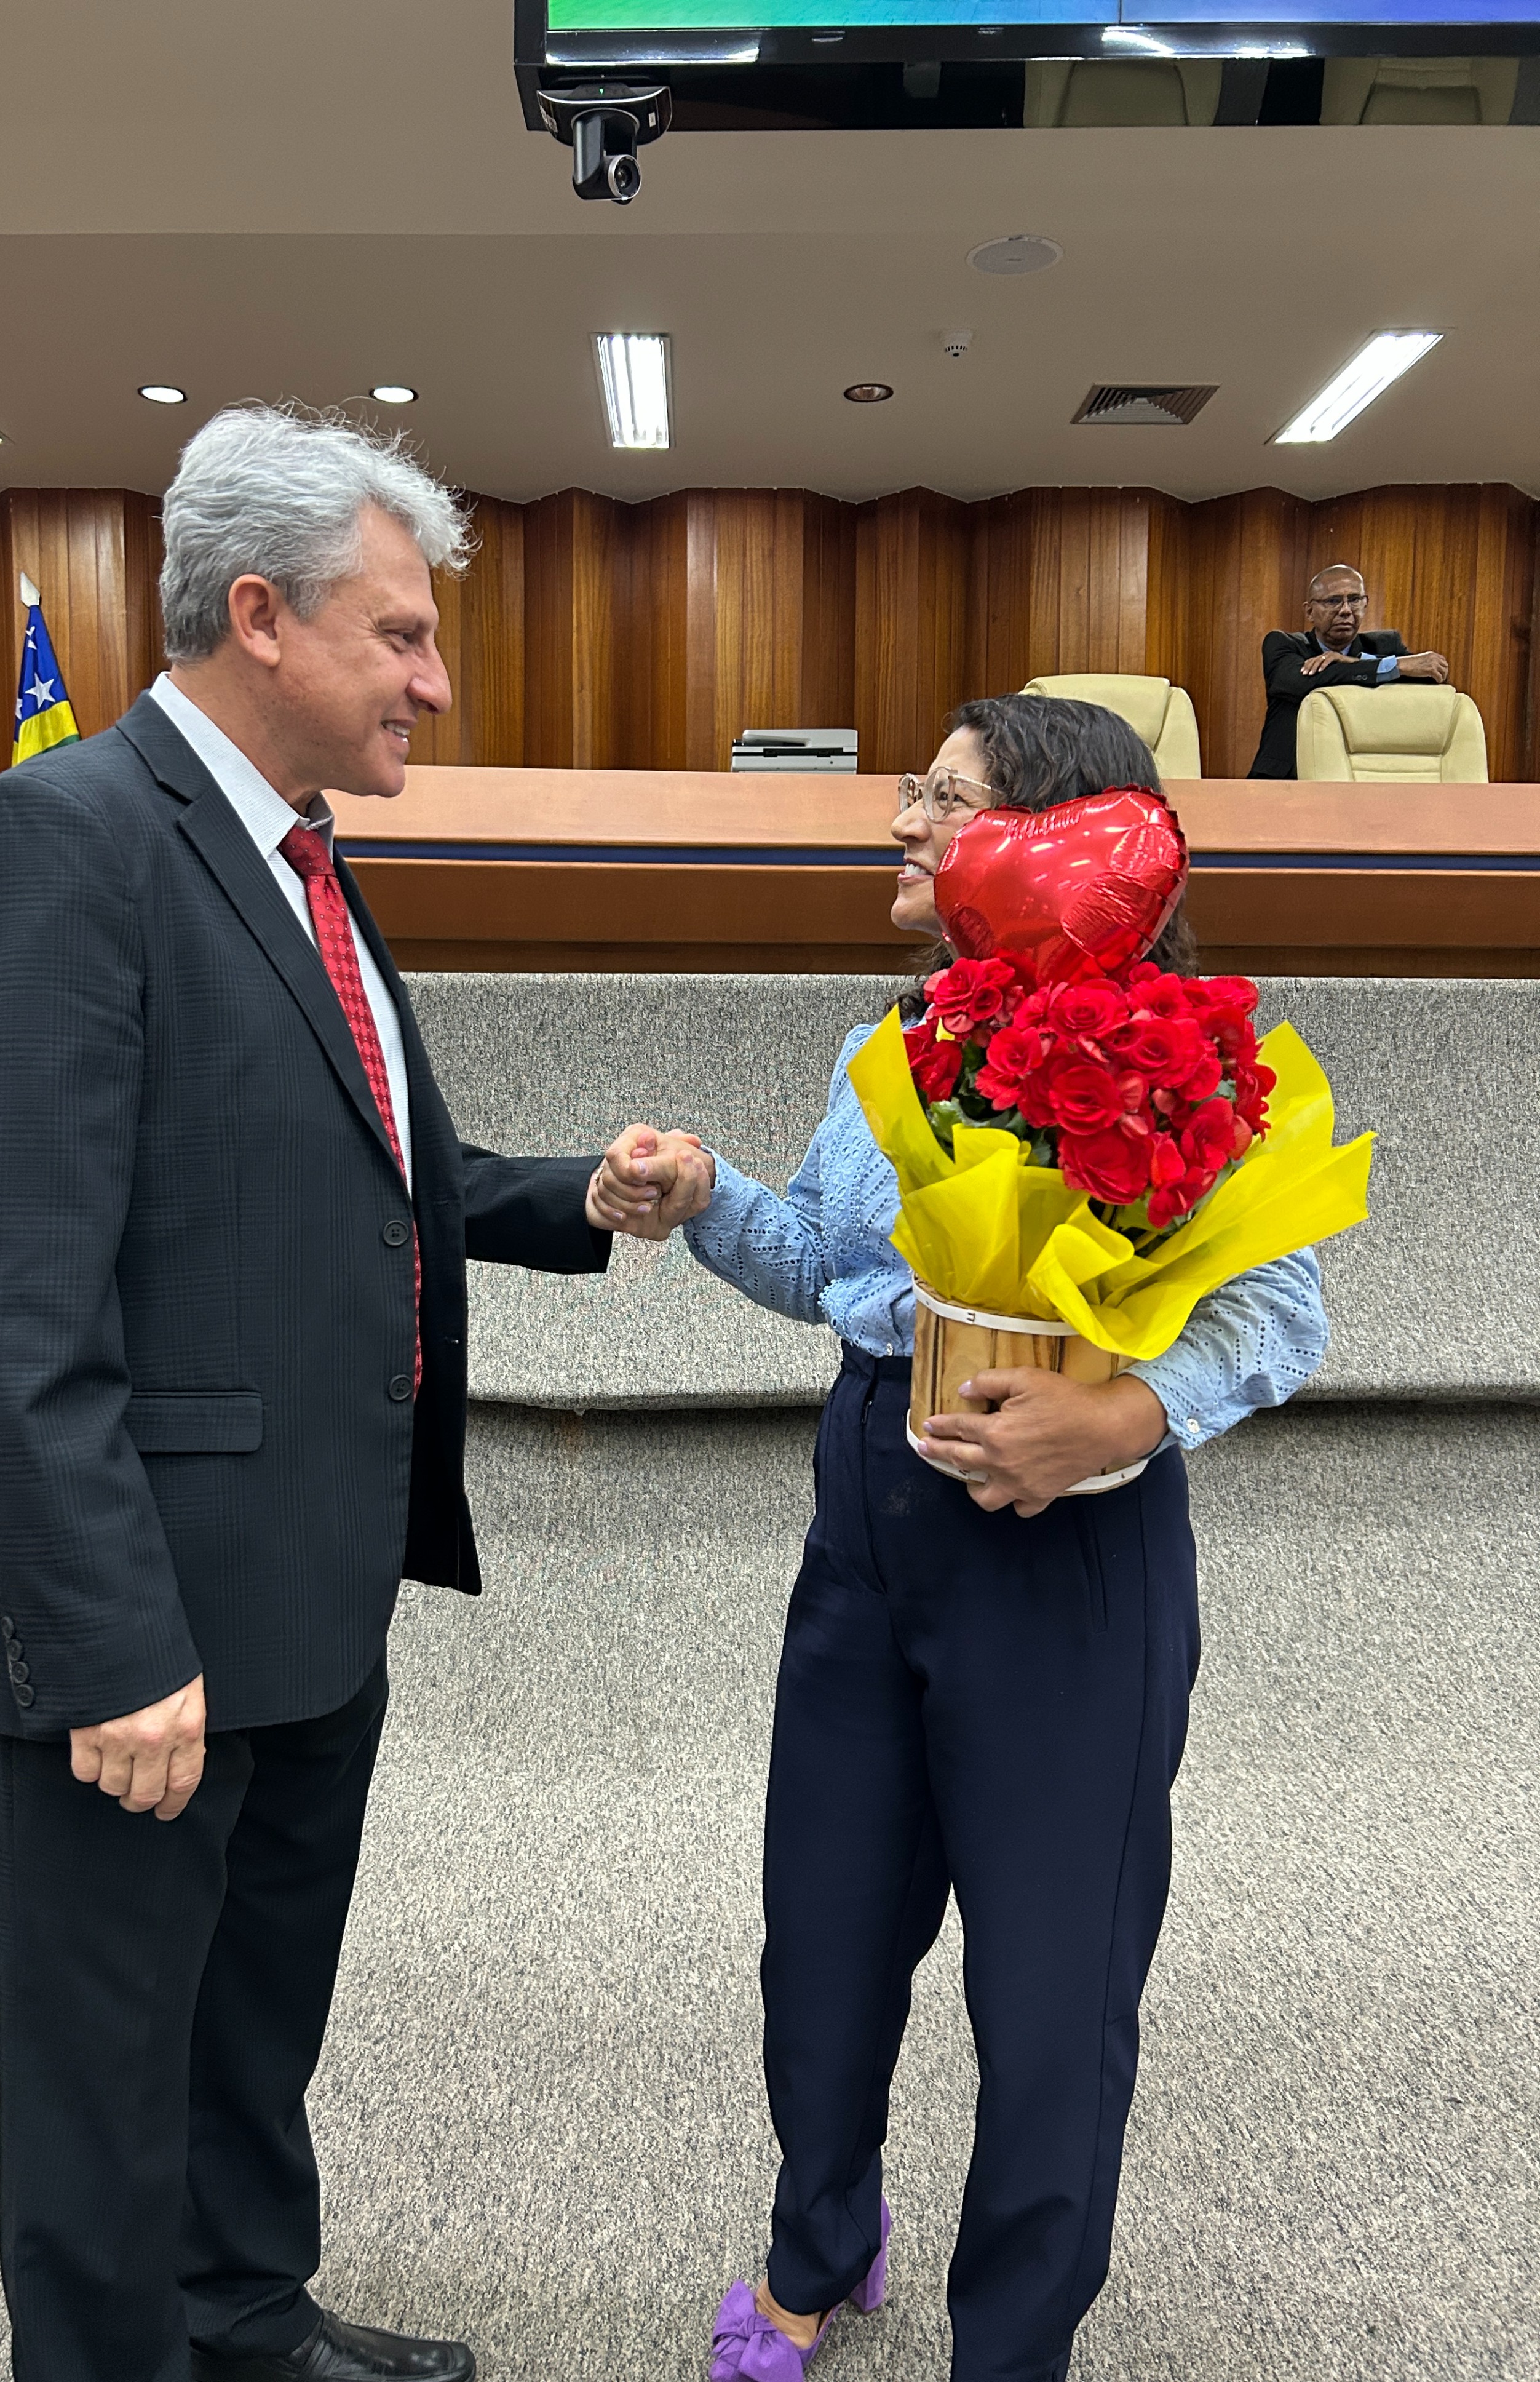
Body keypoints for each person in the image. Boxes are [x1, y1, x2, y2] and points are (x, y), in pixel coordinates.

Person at [0, 403, 710, 2382]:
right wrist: (111, 1643)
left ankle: (245, 2321)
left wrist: (572, 1198)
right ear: (257, 616)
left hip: (308, 1592)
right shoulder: (56, 839)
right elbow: (11, 1298)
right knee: (107, 2081)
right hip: (144, 1622)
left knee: (251, 2020)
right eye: (400, 635)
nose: (434, 682)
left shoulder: (296, 862)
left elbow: (366, 1161)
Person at [592, 695, 1331, 2382]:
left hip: (1066, 1554)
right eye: (909, 793)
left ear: (1064, 842)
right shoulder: (897, 1039)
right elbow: (832, 1272)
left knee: (1051, 1995)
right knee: (823, 1937)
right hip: (870, 1506)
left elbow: (1278, 1316)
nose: (900, 821)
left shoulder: (1197, 1056)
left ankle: (1012, 2346)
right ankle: (820, 2245)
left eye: (942, 796)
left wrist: (1118, 1419)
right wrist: (706, 1198)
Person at [1248, 562, 1449, 779]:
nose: (1345, 611)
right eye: (1333, 601)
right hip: (1286, 778)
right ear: (1310, 611)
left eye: (1354, 600)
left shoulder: (1386, 645)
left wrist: (1351, 661)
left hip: (1361, 776)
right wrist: (1391, 667)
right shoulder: (1284, 644)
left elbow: (1431, 677)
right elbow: (1299, 682)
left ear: (1365, 604)